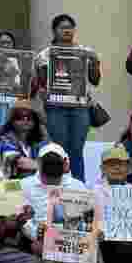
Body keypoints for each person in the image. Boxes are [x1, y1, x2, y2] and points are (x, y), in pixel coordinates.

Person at [33, 14, 102, 181]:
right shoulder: (44, 54)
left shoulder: (85, 52)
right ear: (54, 31)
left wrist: (95, 62)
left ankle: (79, 189)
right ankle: (59, 187)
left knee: (77, 150)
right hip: (56, 108)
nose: (67, 31)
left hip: (80, 108)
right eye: (63, 28)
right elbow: (40, 83)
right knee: (59, 150)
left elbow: (95, 80)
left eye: (70, 27)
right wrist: (42, 90)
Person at [0, 98, 47, 179]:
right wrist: (45, 167)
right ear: (12, 121)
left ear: (35, 121)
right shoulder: (5, 139)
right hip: (14, 186)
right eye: (20, 117)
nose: (25, 120)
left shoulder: (40, 141)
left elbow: (53, 160)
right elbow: (19, 162)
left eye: (29, 117)